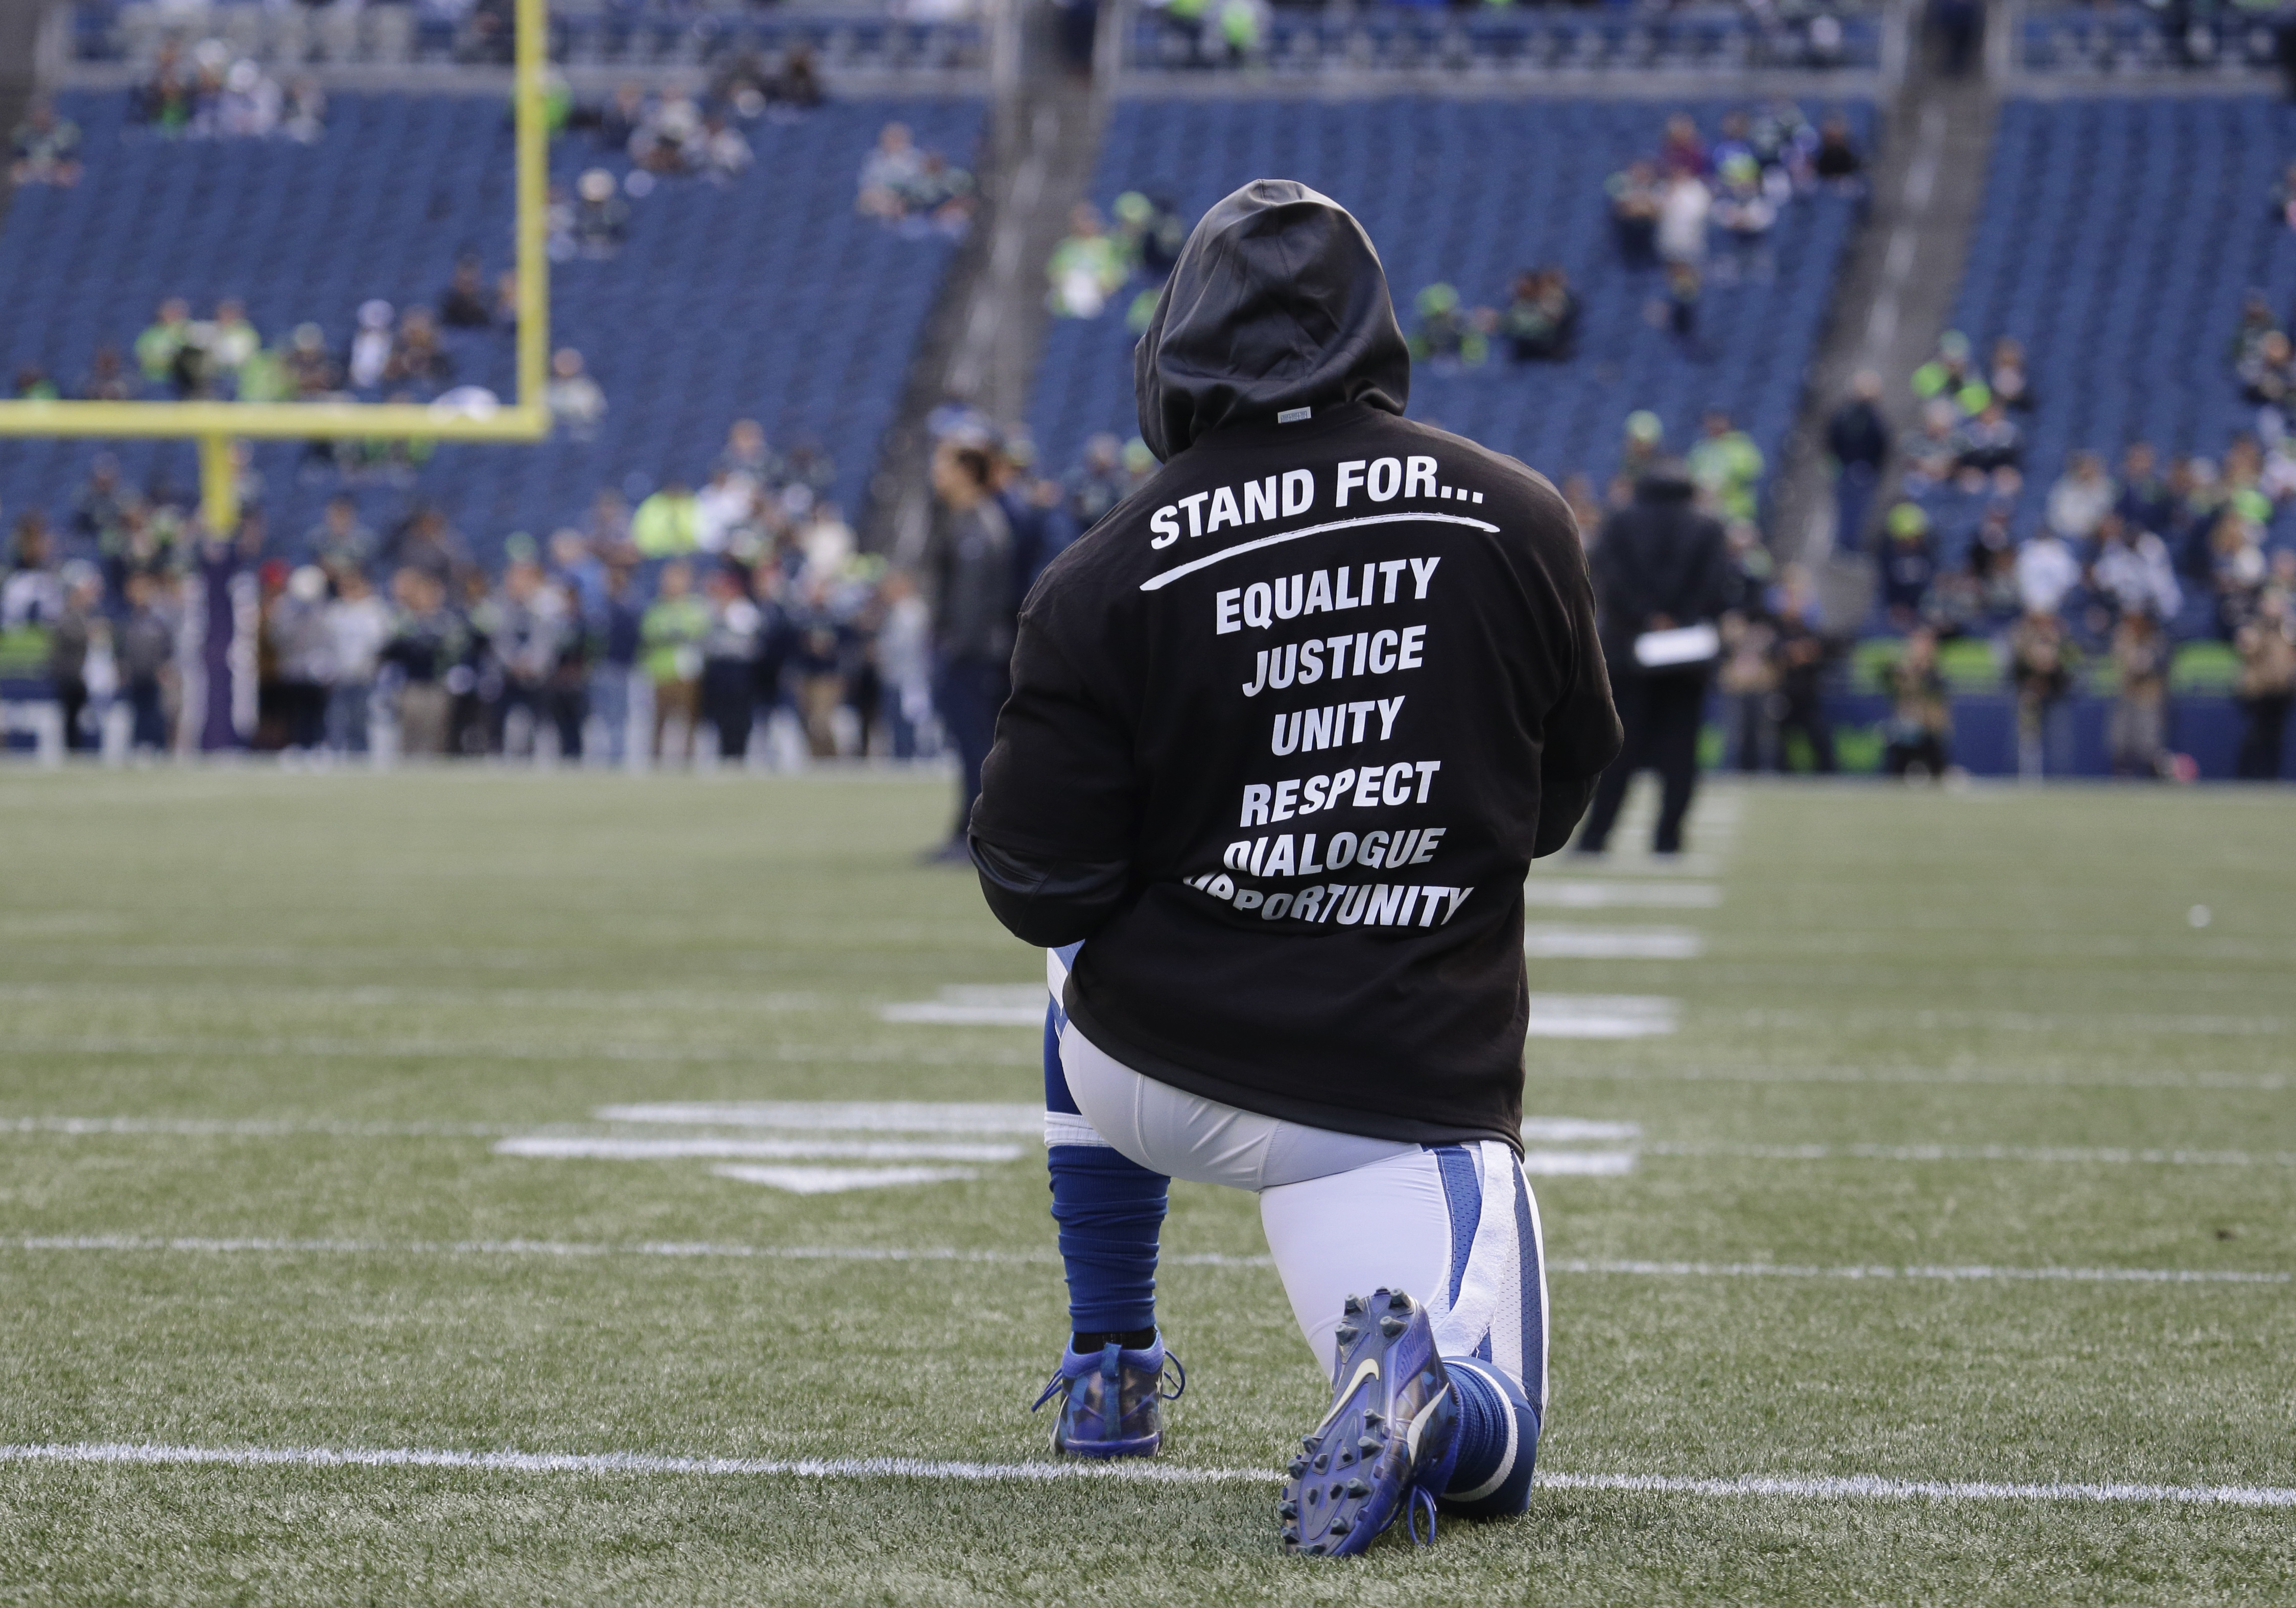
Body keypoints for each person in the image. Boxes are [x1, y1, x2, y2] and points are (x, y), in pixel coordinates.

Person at [965, 181, 1620, 1558]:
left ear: (1171, 350)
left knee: (1072, 948)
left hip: (1147, 1068)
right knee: (1485, 1429)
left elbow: (1035, 883)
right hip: (1384, 1093)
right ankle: (1424, 1413)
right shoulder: (1515, 518)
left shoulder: (1101, 571)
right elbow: (1554, 798)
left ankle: (1112, 1359)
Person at [1577, 457, 1726, 857]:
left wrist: (1647, 617)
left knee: (1616, 750)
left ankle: (1596, 837)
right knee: (1681, 753)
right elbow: (1718, 586)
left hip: (1629, 651)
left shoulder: (1620, 522)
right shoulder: (1709, 527)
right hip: (1687, 655)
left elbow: (1606, 579)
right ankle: (1668, 839)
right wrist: (1679, 619)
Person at [921, 439, 1014, 860]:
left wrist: (954, 650)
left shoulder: (978, 524)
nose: (935, 474)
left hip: (973, 657)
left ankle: (976, 839)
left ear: (964, 472)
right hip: (971, 654)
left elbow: (973, 605)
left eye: (942, 466)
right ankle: (965, 830)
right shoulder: (963, 520)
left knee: (975, 747)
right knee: (968, 746)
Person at [642, 559, 709, 766]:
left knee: (689, 719)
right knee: (659, 719)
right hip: (662, 672)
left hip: (688, 674)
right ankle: (656, 760)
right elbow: (650, 632)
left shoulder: (694, 607)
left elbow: (699, 631)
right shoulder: (657, 607)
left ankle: (688, 759)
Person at [324, 568, 391, 756]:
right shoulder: (337, 611)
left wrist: (370, 669)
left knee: (361, 718)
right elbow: (329, 644)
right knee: (337, 718)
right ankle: (336, 753)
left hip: (364, 675)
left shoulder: (374, 611)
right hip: (340, 675)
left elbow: (379, 645)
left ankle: (361, 754)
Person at [2234, 588, 2294, 779]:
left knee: (2276, 737)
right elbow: (2247, 650)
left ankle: (2271, 776)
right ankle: (2249, 776)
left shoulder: (2288, 629)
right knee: (2256, 735)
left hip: (2281, 690)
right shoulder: (2254, 627)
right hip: (2258, 691)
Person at [1825, 371, 1888, 553]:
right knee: (1853, 510)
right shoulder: (1868, 417)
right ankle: (1847, 546)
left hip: (1851, 467)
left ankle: (1846, 544)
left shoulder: (1845, 414)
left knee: (1851, 509)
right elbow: (1880, 444)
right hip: (1859, 468)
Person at [2107, 608, 2170, 779]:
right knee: (2121, 743)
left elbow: (2160, 666)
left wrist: (2147, 661)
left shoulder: (2157, 640)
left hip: (2149, 697)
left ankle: (2155, 777)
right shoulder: (2124, 638)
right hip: (2128, 696)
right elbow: (2123, 666)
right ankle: (2122, 778)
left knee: (2150, 745)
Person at [1881, 627, 1951, 780]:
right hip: (1904, 733)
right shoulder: (1901, 672)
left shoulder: (1935, 676)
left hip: (1928, 733)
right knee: (1894, 776)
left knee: (1938, 774)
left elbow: (1936, 707)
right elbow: (1889, 682)